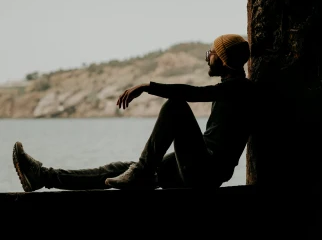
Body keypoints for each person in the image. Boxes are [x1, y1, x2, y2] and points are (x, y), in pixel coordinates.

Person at [12, 34, 255, 192]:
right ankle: (43, 176)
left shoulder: (240, 89)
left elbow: (193, 93)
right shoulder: (231, 88)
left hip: (205, 175)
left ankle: (141, 171)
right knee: (119, 168)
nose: (207, 58)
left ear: (223, 59)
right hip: (196, 167)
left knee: (176, 106)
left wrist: (148, 86)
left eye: (210, 53)